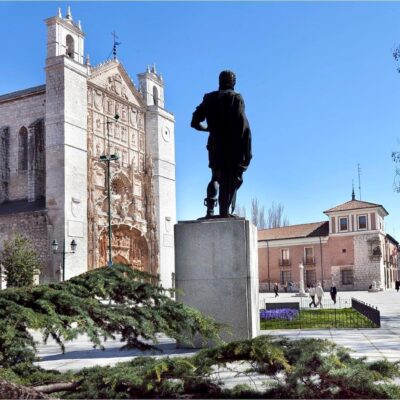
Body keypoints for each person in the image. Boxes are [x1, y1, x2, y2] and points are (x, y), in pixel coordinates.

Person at [191, 70, 252, 218]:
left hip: (215, 144)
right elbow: (243, 126)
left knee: (215, 176)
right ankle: (226, 211)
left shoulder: (209, 98)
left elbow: (194, 122)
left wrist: (209, 129)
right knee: (231, 176)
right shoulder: (236, 98)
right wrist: (247, 150)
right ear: (233, 82)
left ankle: (210, 211)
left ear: (219, 81)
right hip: (232, 145)